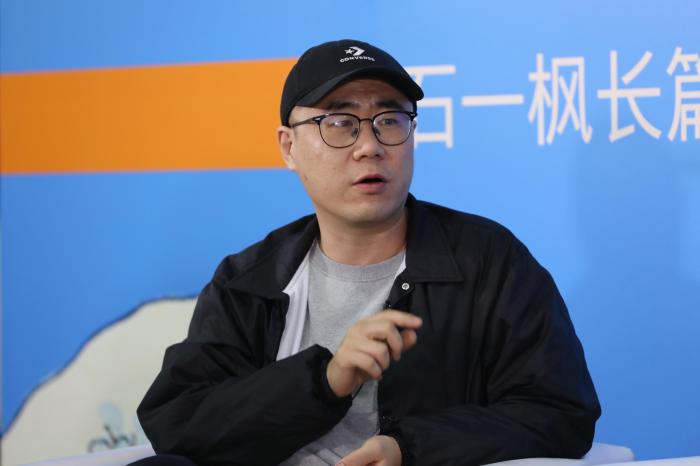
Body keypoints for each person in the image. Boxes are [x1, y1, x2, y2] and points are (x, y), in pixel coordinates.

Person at [135, 39, 600, 466]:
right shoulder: (251, 280)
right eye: (339, 123)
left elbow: (559, 412)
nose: (369, 147)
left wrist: (408, 448)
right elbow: (178, 421)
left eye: (390, 120)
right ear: (289, 147)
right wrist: (326, 379)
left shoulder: (489, 263)